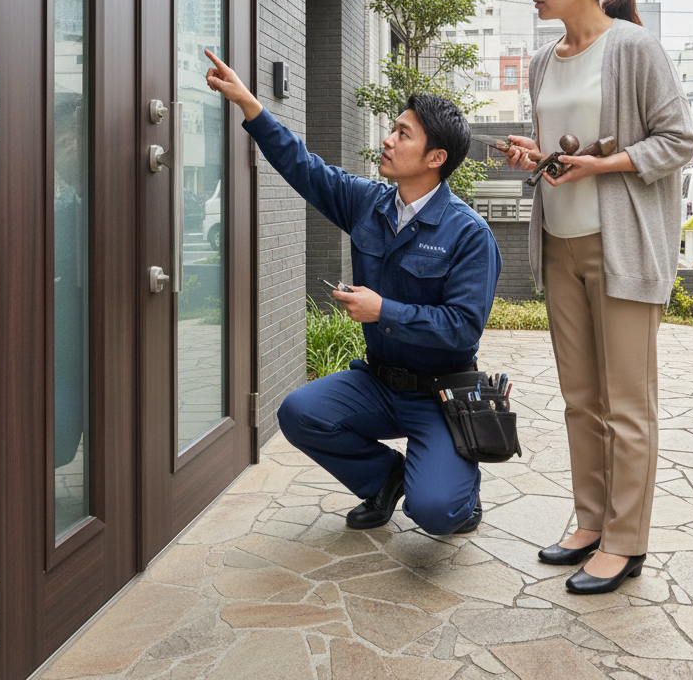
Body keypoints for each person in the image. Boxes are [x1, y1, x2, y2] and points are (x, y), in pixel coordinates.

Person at [204, 50, 502, 536]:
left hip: (439, 394)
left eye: (403, 133)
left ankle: (458, 490)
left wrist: (383, 310)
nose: (388, 139)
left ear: (435, 158)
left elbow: (462, 328)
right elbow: (303, 167)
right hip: (379, 384)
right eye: (393, 128)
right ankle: (385, 478)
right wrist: (249, 104)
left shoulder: (469, 234)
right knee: (299, 413)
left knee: (436, 514)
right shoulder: (369, 203)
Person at [504, 0, 693, 594]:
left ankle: (624, 540)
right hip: (559, 244)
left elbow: (679, 140)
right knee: (580, 399)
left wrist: (601, 165)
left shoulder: (634, 47)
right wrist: (538, 158)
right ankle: (589, 523)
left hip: (621, 248)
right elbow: (562, 155)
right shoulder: (542, 62)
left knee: (626, 404)